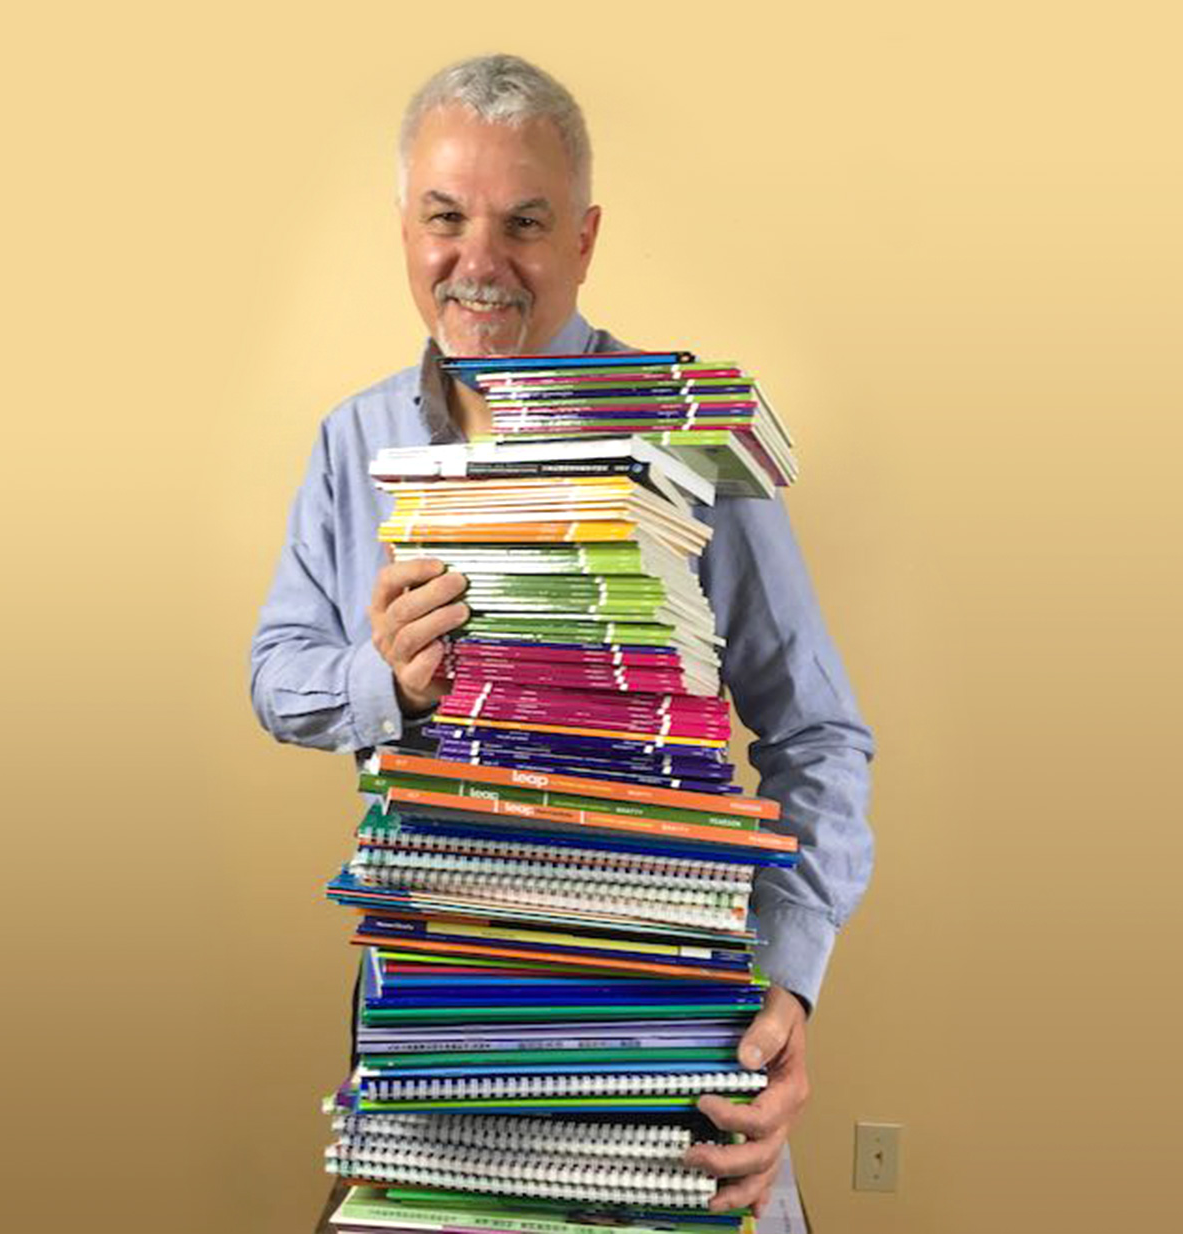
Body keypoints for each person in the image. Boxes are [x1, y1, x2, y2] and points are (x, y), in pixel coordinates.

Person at [250, 53, 875, 1220]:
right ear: (403, 227)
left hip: (673, 1029)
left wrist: (790, 983)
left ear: (583, 238)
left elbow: (821, 732)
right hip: (435, 1009)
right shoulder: (353, 443)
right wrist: (381, 679)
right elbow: (279, 678)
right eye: (445, 218)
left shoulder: (684, 437)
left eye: (523, 223)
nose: (477, 262)